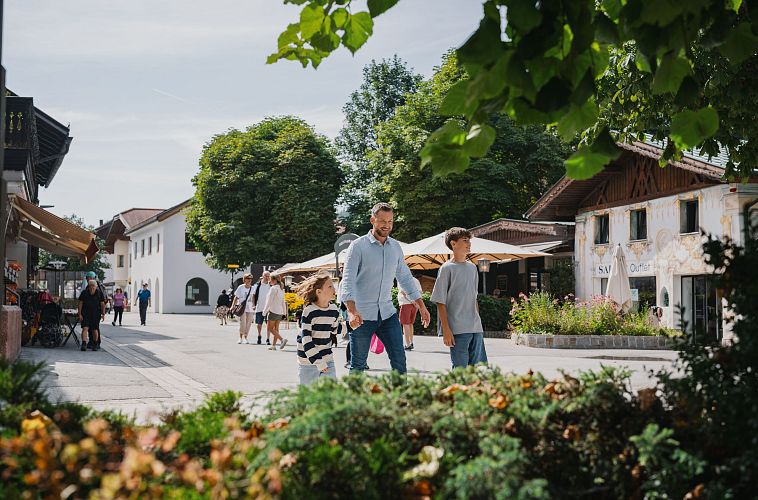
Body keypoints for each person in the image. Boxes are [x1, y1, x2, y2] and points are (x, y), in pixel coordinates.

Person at [340, 202, 430, 374]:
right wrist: (351, 311)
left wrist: (421, 304)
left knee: (399, 361)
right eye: (382, 221)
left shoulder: (395, 247)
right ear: (372, 220)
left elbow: (404, 277)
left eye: (390, 221)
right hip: (362, 316)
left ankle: (399, 400)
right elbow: (348, 280)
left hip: (387, 314)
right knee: (358, 365)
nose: (387, 225)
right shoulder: (357, 247)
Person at [431, 227, 488, 369]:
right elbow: (440, 301)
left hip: (475, 327)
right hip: (458, 329)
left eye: (469, 240)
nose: (469, 243)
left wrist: (478, 322)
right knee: (460, 371)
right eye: (465, 240)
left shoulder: (472, 268)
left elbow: (474, 298)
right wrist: (446, 330)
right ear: (453, 244)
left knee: (476, 370)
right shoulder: (446, 269)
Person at [294, 273, 341, 385]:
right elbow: (306, 340)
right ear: (319, 292)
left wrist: (351, 325)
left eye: (333, 285)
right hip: (308, 361)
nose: (334, 289)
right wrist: (319, 362)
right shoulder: (309, 311)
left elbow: (334, 330)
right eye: (330, 286)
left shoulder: (334, 310)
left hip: (327, 358)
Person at [78, 280, 106, 352]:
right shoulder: (84, 293)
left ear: (96, 286)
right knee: (85, 328)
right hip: (85, 313)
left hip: (96, 314)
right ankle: (84, 344)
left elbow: (102, 304)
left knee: (94, 329)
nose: (92, 287)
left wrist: (103, 314)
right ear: (88, 286)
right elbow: (80, 303)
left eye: (93, 286)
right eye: (90, 286)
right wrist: (79, 314)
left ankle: (95, 344)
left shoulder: (99, 293)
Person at [263, 274, 287, 350]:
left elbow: (269, 301)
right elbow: (283, 302)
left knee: (270, 328)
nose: (269, 281)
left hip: (273, 311)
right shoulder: (281, 289)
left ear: (274, 280)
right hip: (280, 311)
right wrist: (284, 312)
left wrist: (264, 311)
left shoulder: (273, 288)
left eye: (270, 279)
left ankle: (282, 339)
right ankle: (273, 346)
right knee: (276, 329)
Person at [399, 274, 422, 350]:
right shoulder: (416, 280)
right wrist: (416, 302)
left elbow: (403, 292)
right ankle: (411, 342)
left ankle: (407, 344)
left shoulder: (401, 279)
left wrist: (412, 301)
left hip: (405, 303)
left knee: (405, 324)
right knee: (410, 324)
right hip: (415, 305)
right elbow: (420, 292)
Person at [231, 274, 256, 343]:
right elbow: (236, 297)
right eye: (248, 278)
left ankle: (245, 337)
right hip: (242, 307)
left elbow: (252, 297)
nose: (249, 280)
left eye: (250, 279)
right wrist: (232, 305)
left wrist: (254, 305)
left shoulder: (253, 288)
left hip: (250, 308)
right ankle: (240, 337)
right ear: (244, 279)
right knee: (243, 323)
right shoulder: (241, 287)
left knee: (248, 323)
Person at [254, 272, 272, 344]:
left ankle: (268, 339)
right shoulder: (258, 285)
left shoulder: (270, 286)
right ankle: (259, 335)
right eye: (266, 276)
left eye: (268, 276)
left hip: (268, 308)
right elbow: (253, 296)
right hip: (259, 307)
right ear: (263, 276)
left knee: (269, 324)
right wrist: (253, 304)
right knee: (259, 324)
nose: (267, 277)